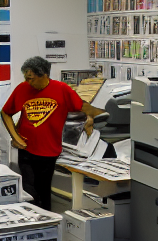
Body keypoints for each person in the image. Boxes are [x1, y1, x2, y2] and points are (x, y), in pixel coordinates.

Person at [1, 57, 105, 212]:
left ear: (43, 75)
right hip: (26, 150)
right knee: (29, 191)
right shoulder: (22, 89)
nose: (27, 82)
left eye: (31, 78)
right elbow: (6, 112)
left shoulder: (62, 89)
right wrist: (15, 137)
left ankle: (46, 221)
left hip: (49, 151)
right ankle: (29, 221)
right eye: (26, 78)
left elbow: (82, 106)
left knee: (44, 190)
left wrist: (92, 117)